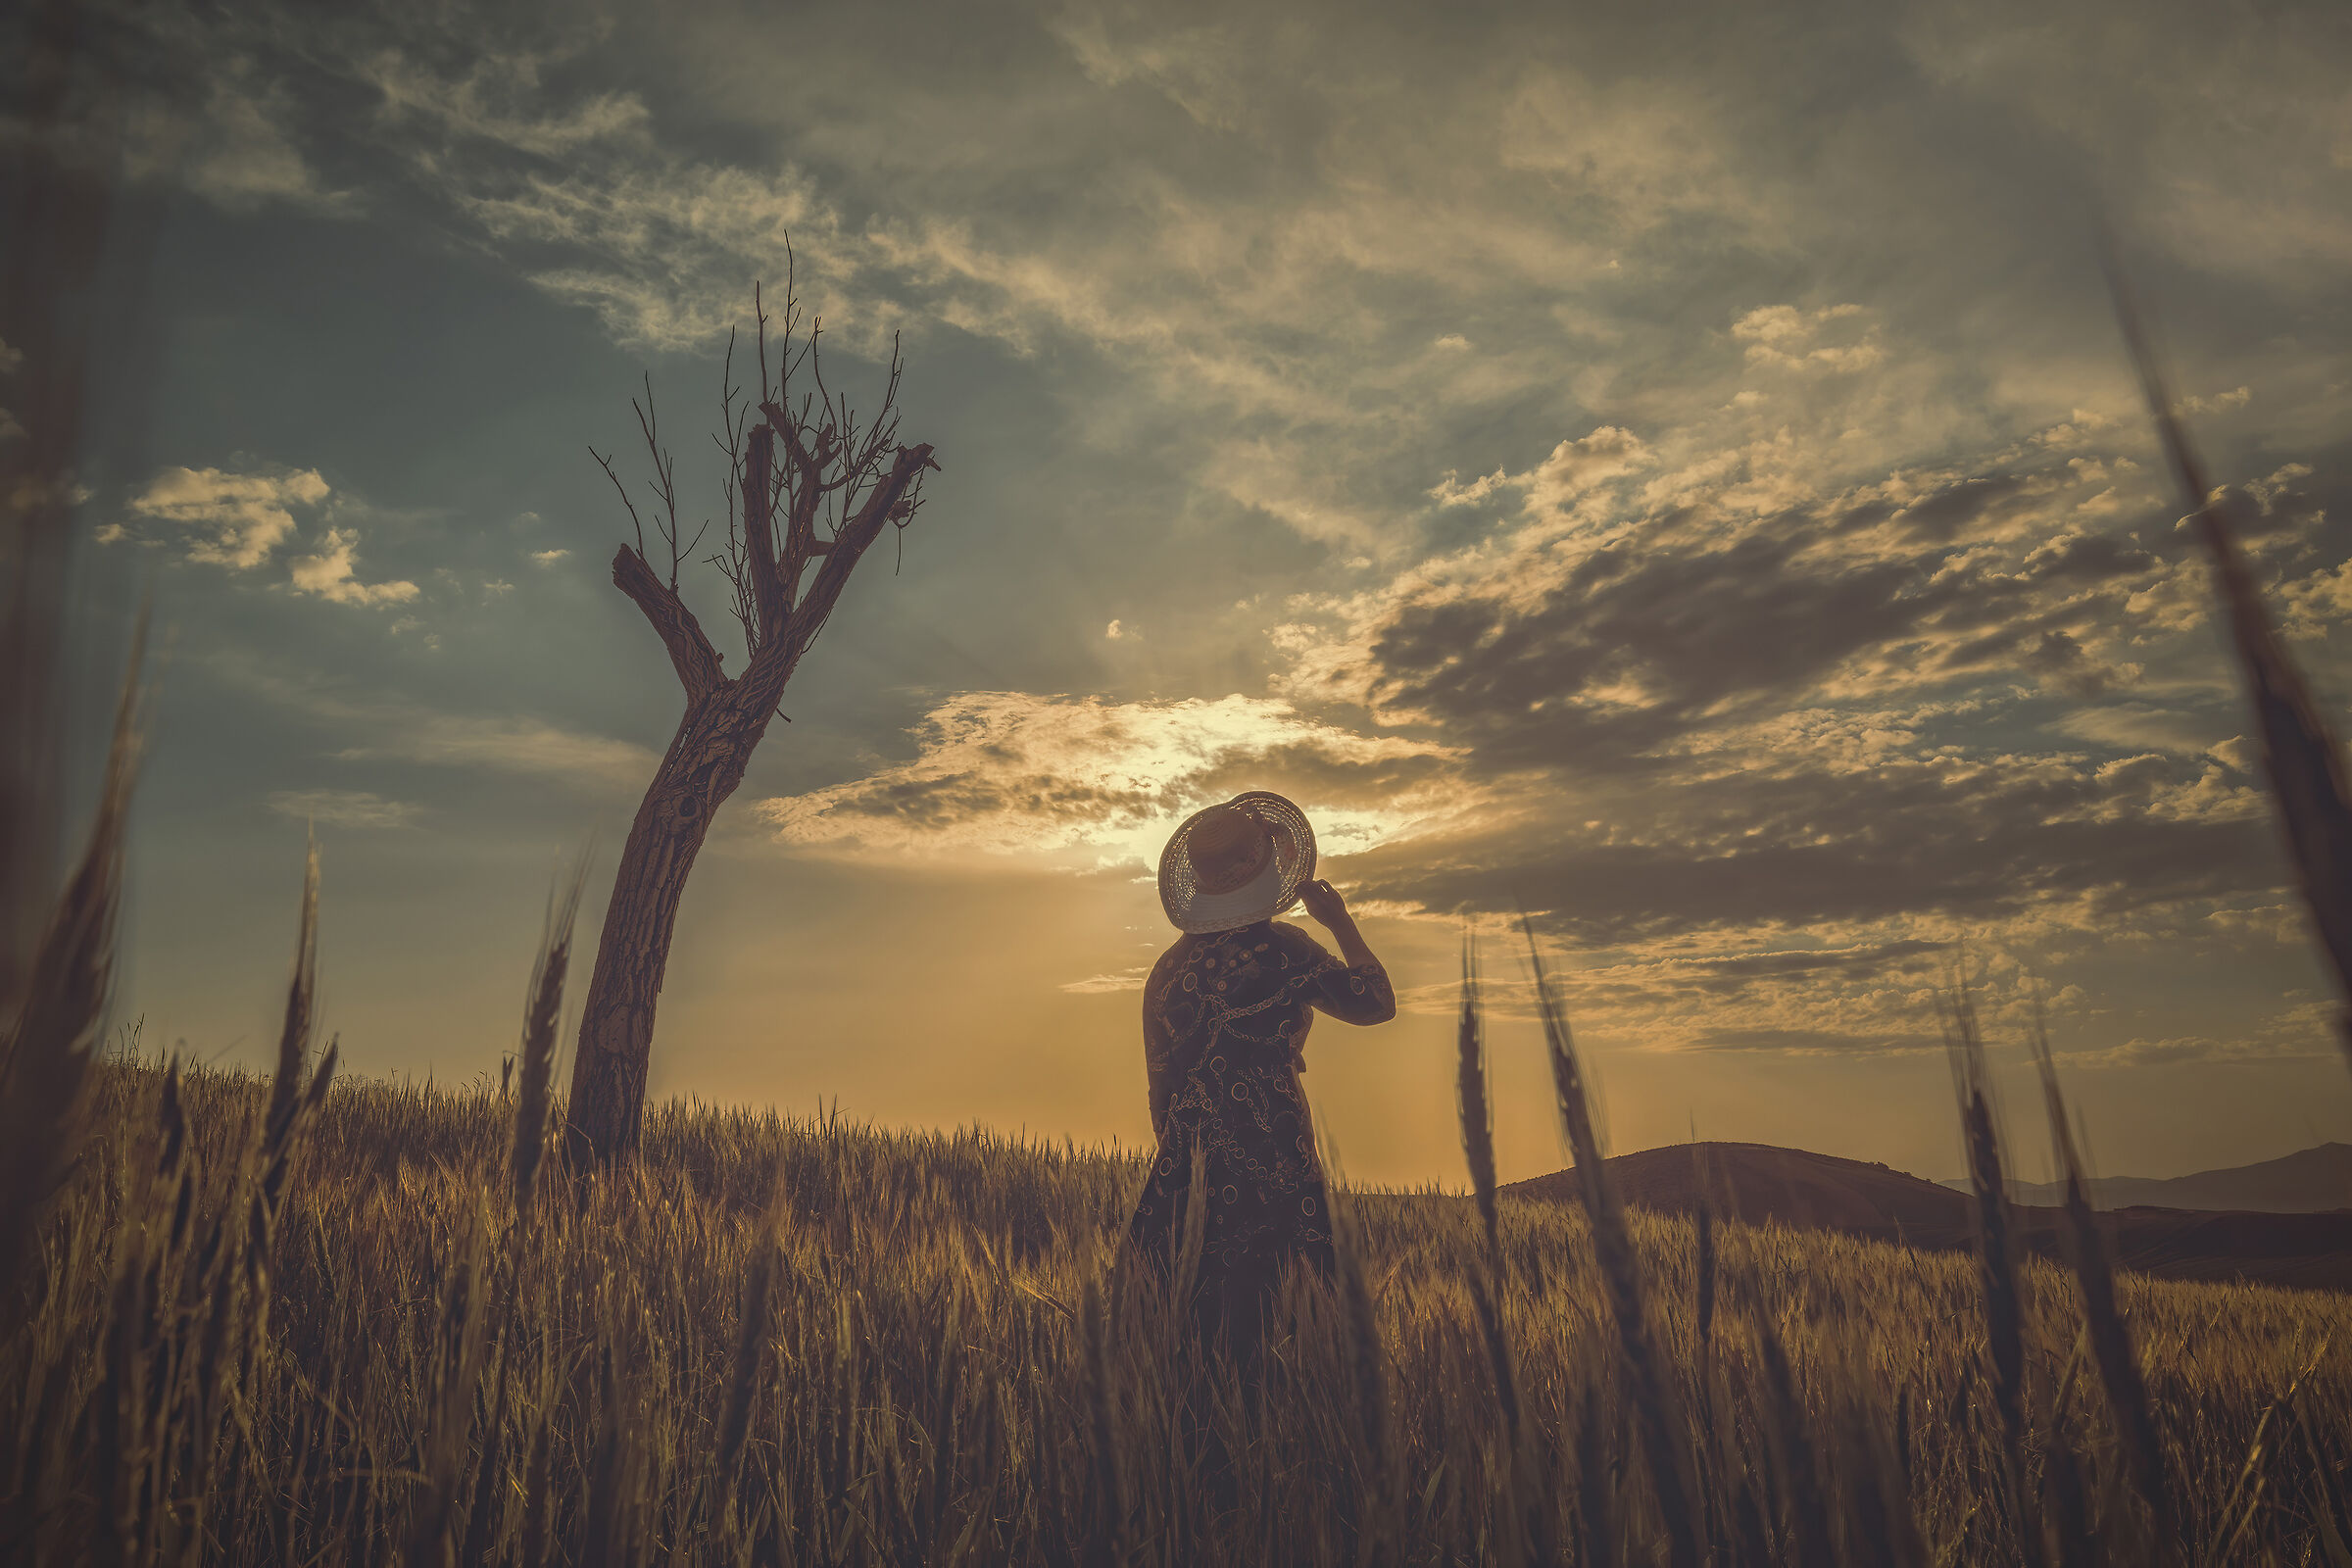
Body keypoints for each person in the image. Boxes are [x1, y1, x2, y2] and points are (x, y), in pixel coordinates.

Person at [1126, 791, 1396, 1363]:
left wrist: (1186, 1149)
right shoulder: (1283, 949)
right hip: (1271, 1141)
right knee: (1286, 1314)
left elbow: (1159, 1089)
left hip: (1185, 1153)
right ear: (1264, 874)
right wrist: (1341, 923)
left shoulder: (1167, 970)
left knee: (1177, 1315)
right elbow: (1374, 1004)